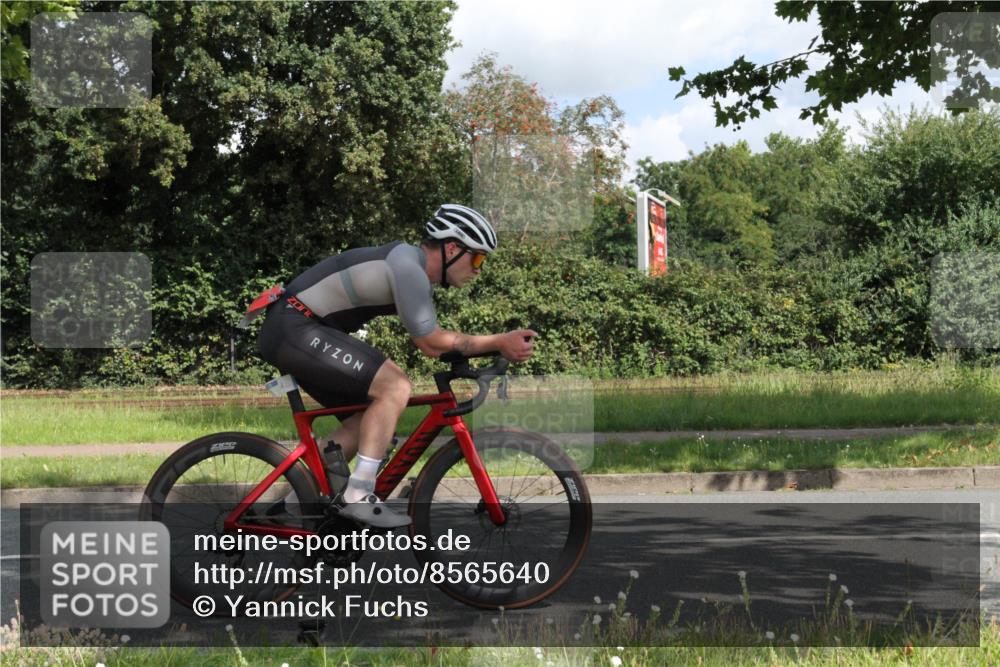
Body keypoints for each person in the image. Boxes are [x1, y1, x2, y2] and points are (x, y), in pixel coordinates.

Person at [256, 204, 536, 528]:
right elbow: (431, 342)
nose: (478, 269)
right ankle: (358, 494)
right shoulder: (408, 268)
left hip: (296, 329)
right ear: (452, 248)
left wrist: (477, 352)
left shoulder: (415, 273)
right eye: (477, 258)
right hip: (294, 327)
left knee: (370, 426)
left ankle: (290, 507)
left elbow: (440, 340)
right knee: (395, 386)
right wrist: (499, 341)